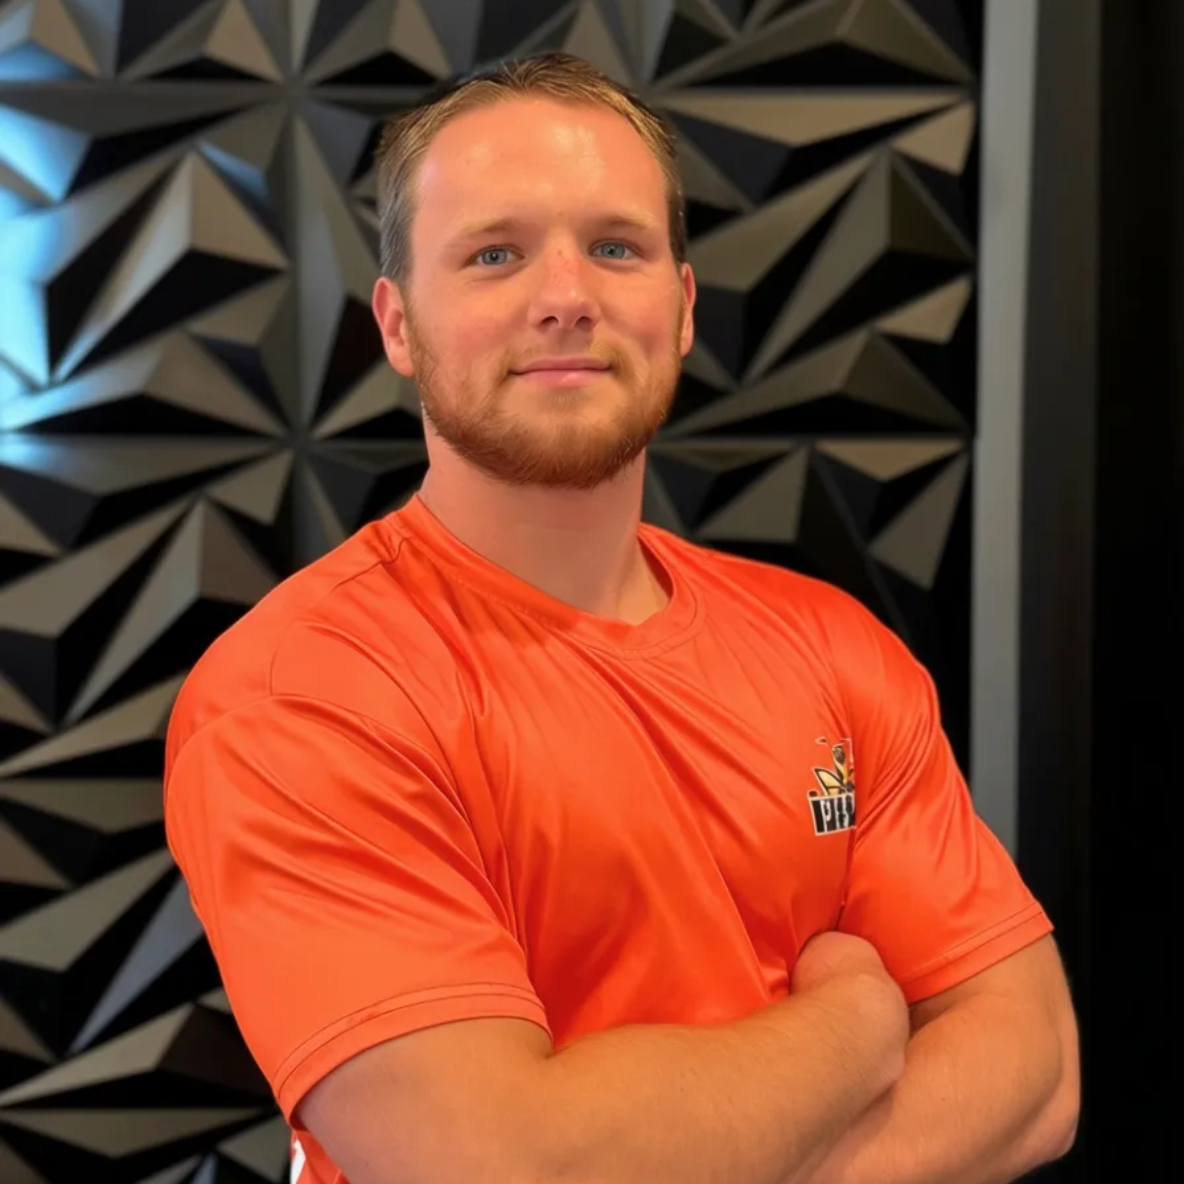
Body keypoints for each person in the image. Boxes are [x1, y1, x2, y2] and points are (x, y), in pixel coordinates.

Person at [163, 52, 1079, 1184]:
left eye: (614, 247)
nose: (566, 295)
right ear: (398, 325)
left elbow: (1034, 1070)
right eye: (494, 254)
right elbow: (503, 1165)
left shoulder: (830, 646)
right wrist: (858, 1020)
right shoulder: (304, 691)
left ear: (682, 307)